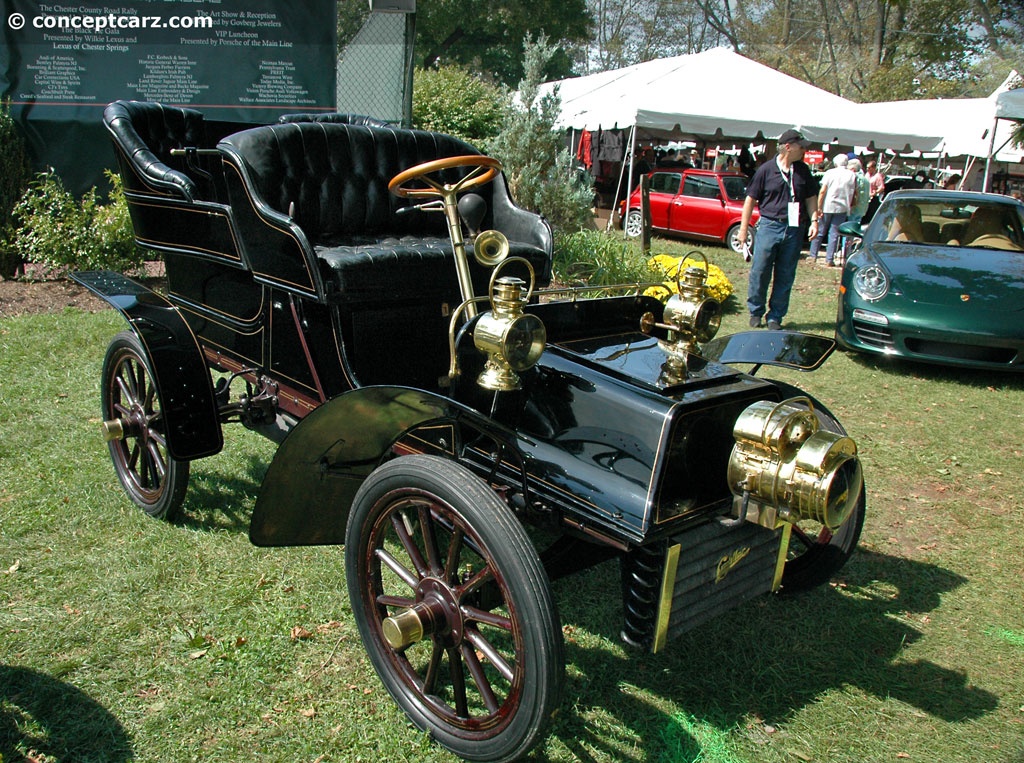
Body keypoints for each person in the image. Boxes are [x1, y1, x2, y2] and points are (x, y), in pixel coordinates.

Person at [737, 128, 819, 331]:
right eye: (801, 147)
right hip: (769, 225)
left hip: (793, 229)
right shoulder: (766, 170)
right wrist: (743, 229)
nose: (804, 151)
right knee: (760, 270)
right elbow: (750, 200)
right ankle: (755, 311)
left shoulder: (803, 171)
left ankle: (775, 316)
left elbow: (810, 198)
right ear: (788, 147)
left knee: (786, 273)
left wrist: (815, 220)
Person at [810, 154, 857, 266]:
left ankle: (812, 255)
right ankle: (829, 259)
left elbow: (823, 190)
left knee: (820, 231)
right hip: (842, 206)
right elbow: (854, 192)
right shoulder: (852, 175)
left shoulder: (830, 173)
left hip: (827, 205)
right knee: (834, 234)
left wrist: (819, 206)